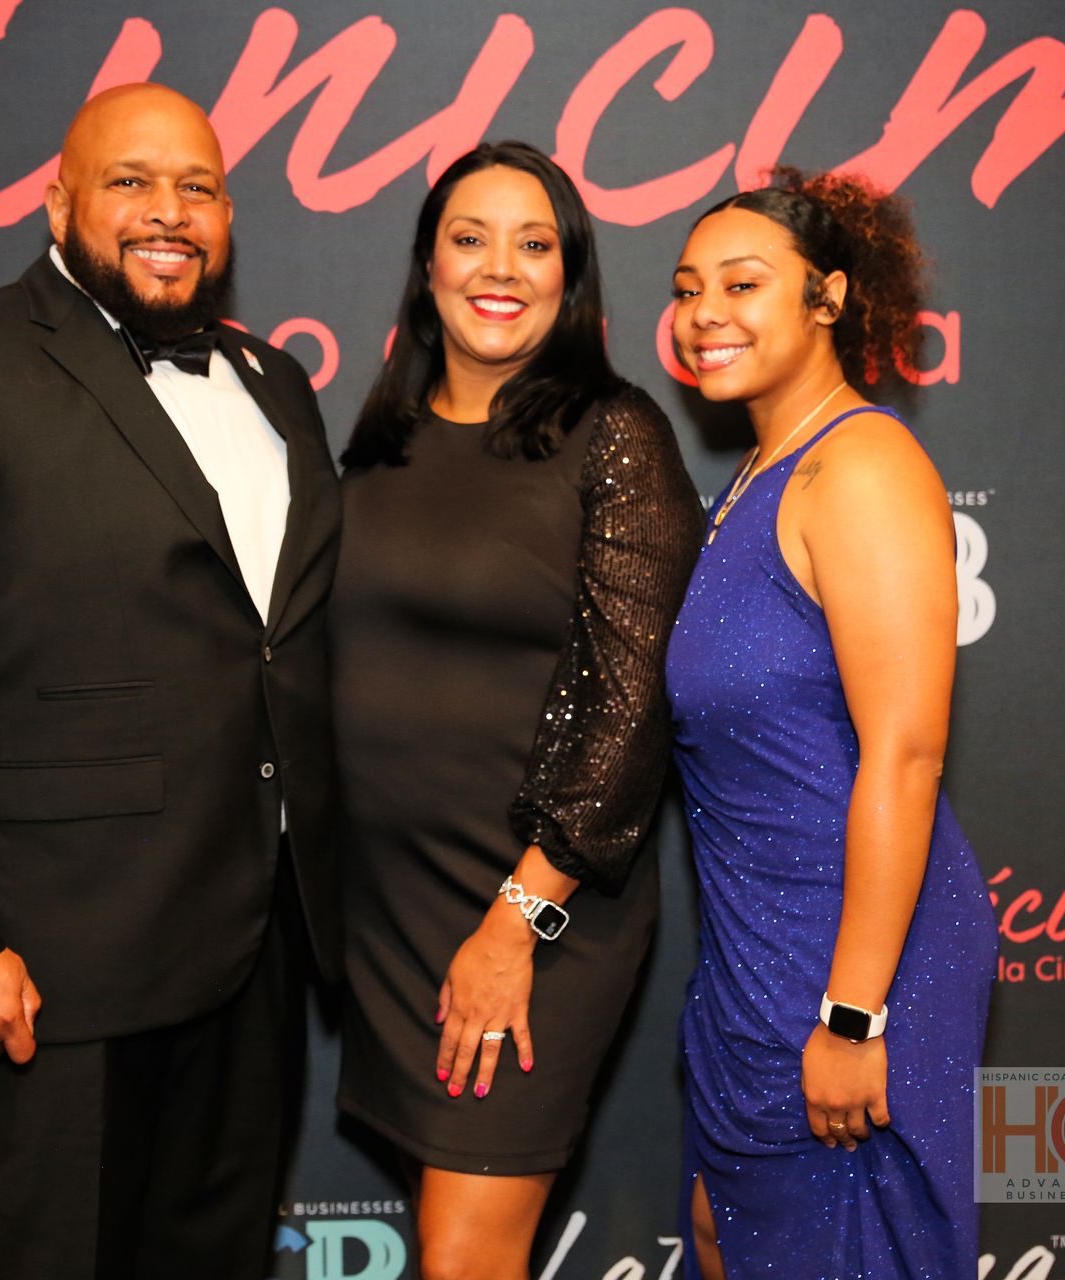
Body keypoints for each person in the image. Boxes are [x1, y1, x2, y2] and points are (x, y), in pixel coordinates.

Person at [0, 84, 342, 1280]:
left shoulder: (274, 383)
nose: (169, 211)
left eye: (198, 187)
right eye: (129, 181)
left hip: (254, 951)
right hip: (51, 963)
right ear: (56, 203)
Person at [331, 141, 702, 1280]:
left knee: (462, 1255)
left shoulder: (616, 434)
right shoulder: (379, 442)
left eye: (534, 244)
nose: (501, 267)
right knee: (450, 1237)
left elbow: (634, 703)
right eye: (471, 238)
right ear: (427, 266)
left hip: (534, 908)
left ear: (569, 275)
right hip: (390, 911)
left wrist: (517, 920)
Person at [664, 169, 996, 1279]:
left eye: (742, 283)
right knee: (731, 1235)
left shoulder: (862, 465)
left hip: (851, 957)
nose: (705, 312)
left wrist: (854, 1013)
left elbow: (905, 752)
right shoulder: (758, 477)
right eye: (687, 288)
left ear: (829, 297)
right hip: (754, 949)